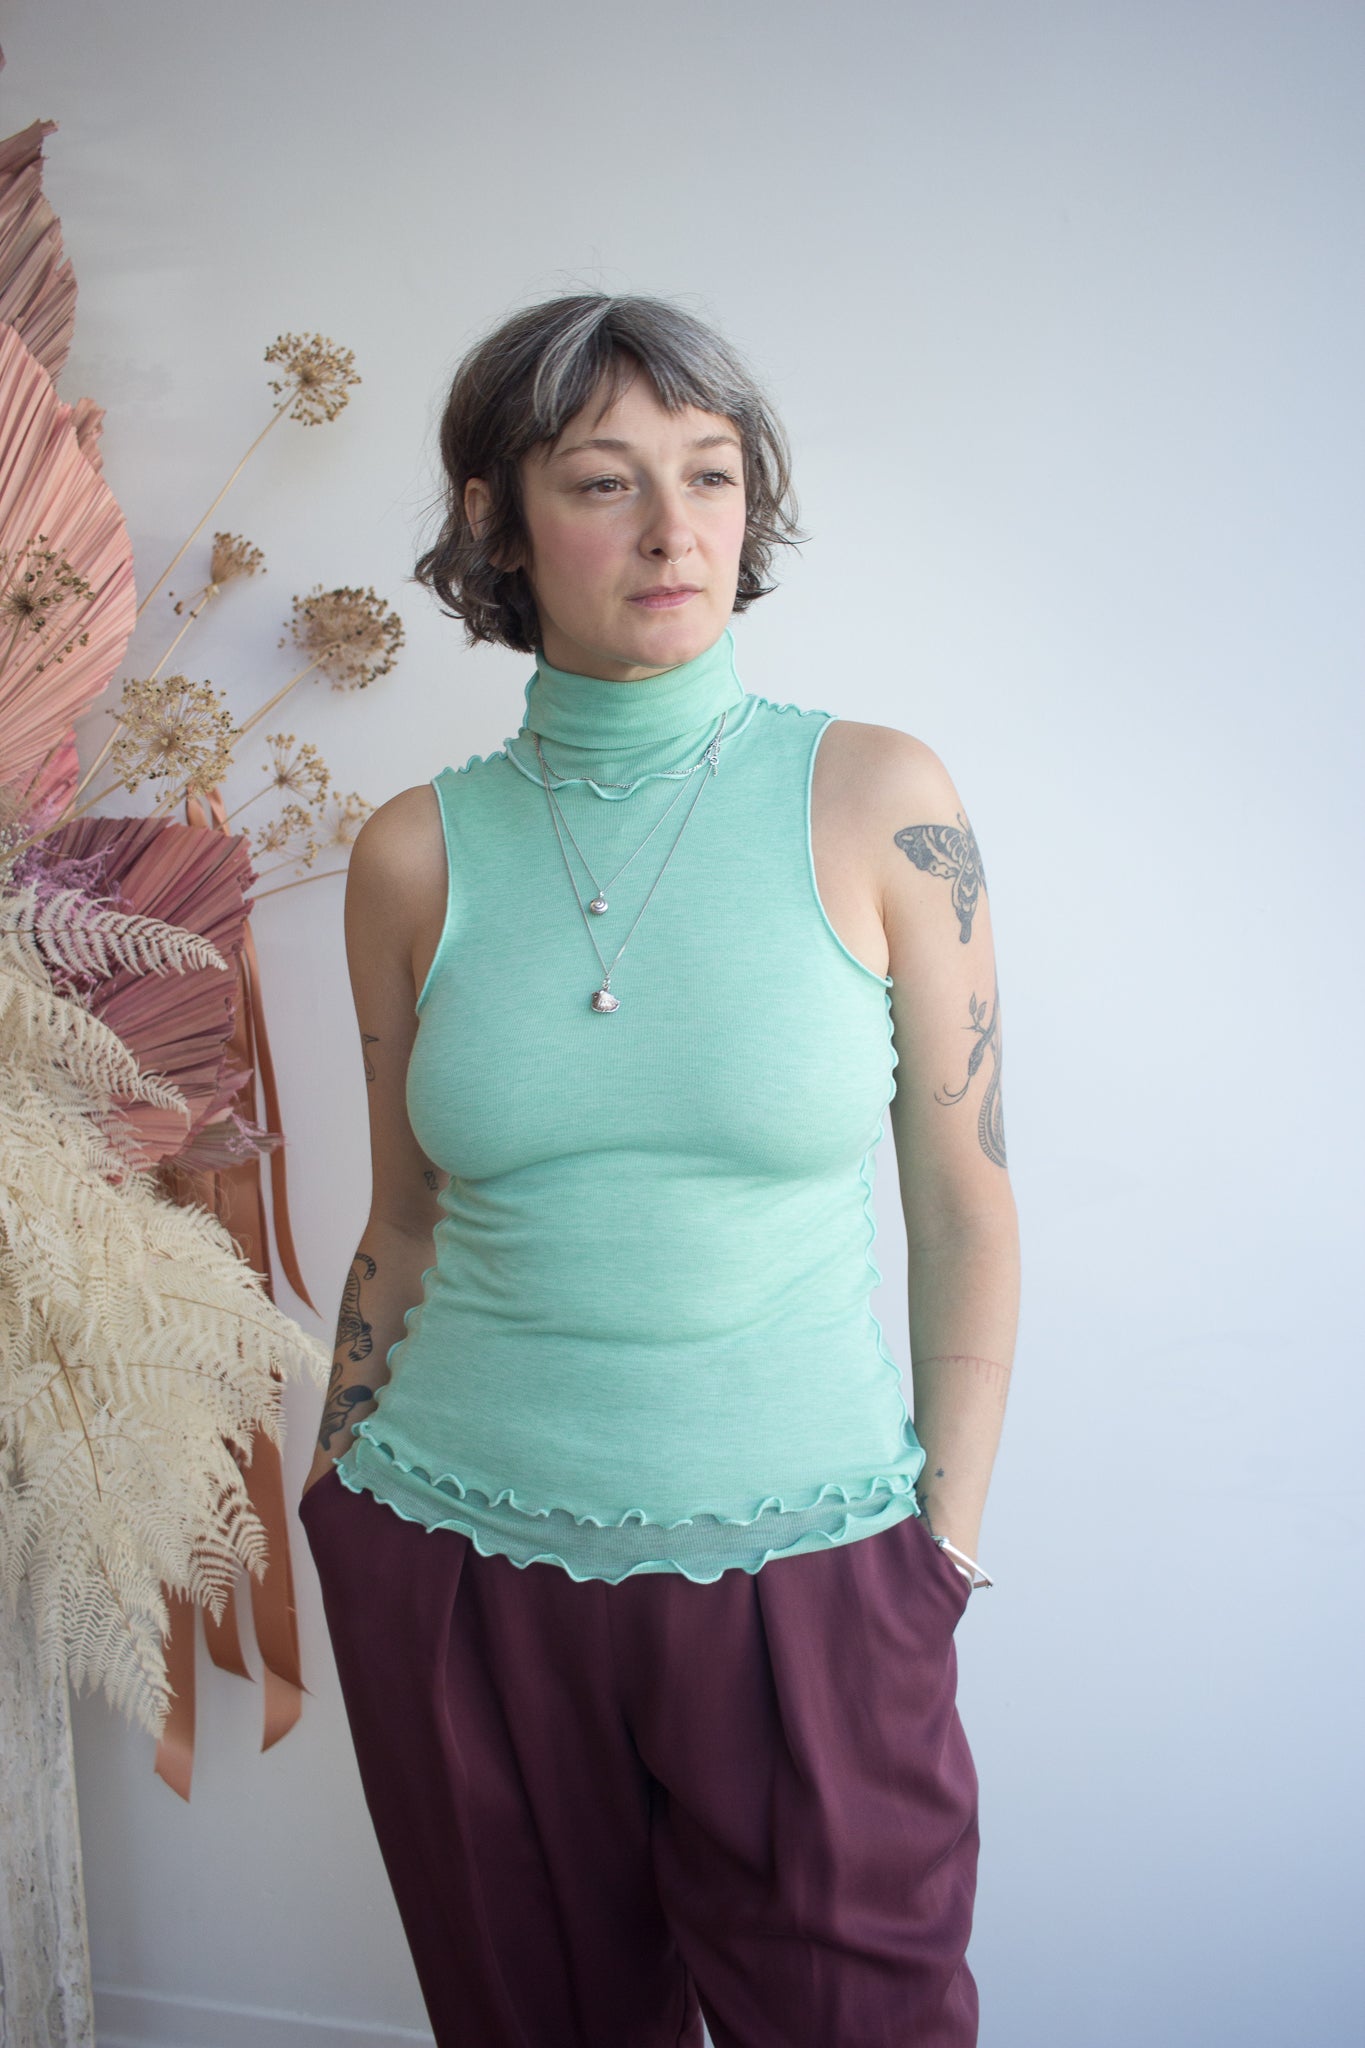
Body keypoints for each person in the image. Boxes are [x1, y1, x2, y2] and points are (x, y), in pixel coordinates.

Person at [298, 292, 1020, 2048]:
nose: (674, 528)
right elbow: (403, 1218)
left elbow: (964, 1199)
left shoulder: (878, 800)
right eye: (605, 480)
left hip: (815, 1573)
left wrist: (939, 1549)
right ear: (497, 520)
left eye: (709, 473)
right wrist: (339, 1502)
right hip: (453, 1562)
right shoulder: (410, 856)